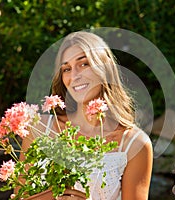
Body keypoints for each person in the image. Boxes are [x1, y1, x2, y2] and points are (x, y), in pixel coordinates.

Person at [21, 31, 153, 200]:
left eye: (84, 64)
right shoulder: (38, 130)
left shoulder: (135, 144)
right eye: (66, 69)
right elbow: (20, 195)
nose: (74, 76)